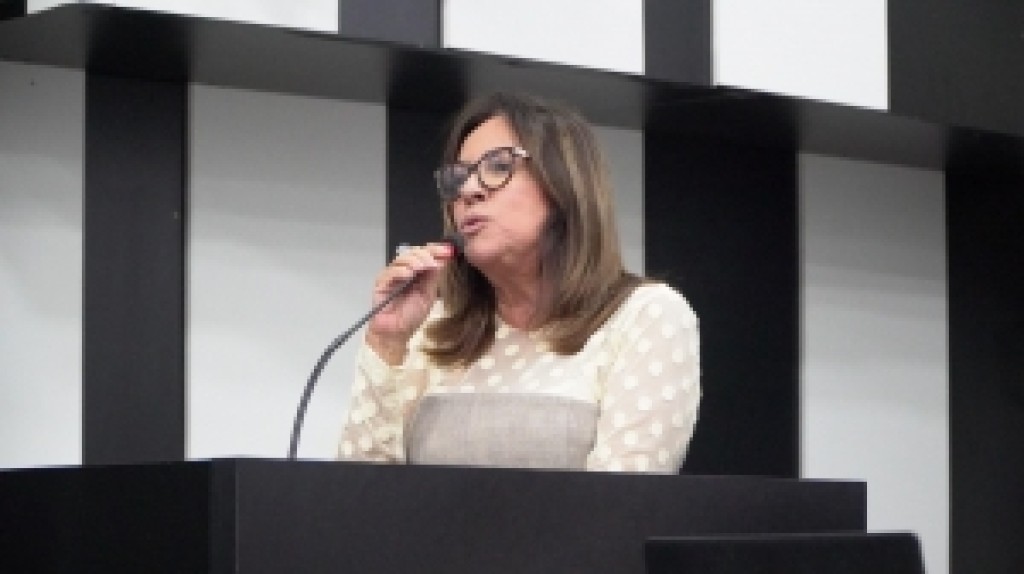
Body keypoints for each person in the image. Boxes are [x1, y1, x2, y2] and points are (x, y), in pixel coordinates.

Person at [338, 92, 700, 473]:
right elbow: (361, 495)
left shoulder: (646, 316)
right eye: (458, 177)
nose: (468, 191)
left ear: (564, 186)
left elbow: (621, 501)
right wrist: (387, 341)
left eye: (497, 166)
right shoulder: (432, 330)